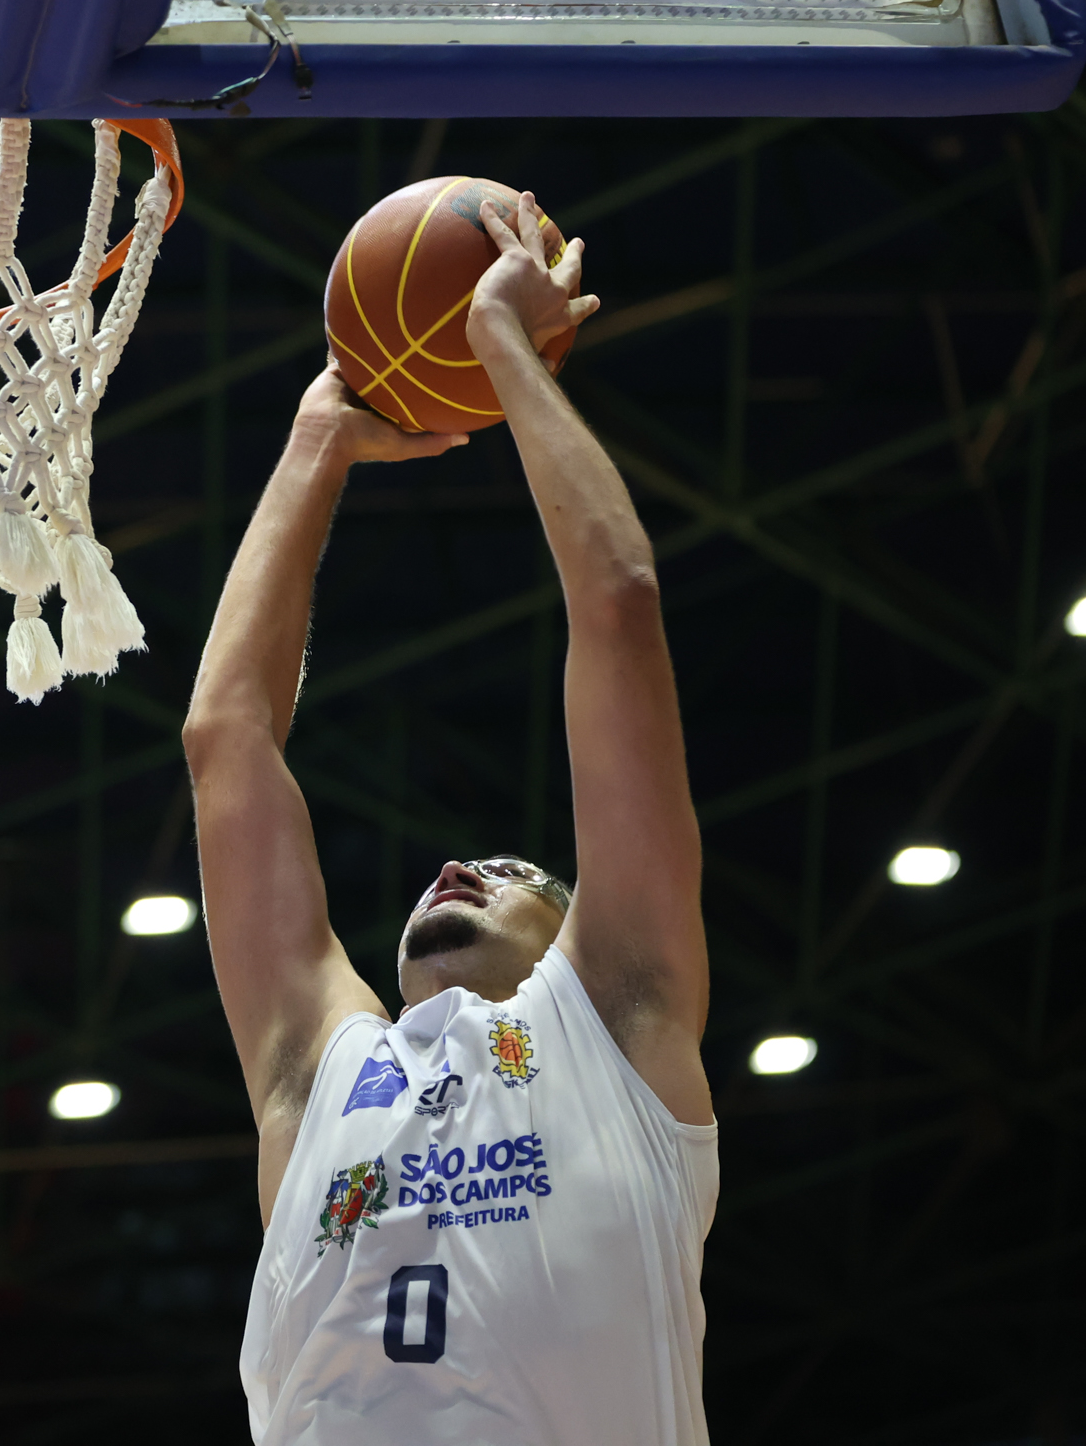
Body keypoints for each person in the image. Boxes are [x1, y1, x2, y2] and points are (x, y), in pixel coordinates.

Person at [182, 194, 716, 1444]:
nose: (455, 866)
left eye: (513, 869)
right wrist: (317, 441)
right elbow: (225, 740)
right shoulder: (319, 1075)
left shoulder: (616, 1017)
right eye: (464, 865)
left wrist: (497, 344)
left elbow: (620, 604)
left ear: (576, 929)